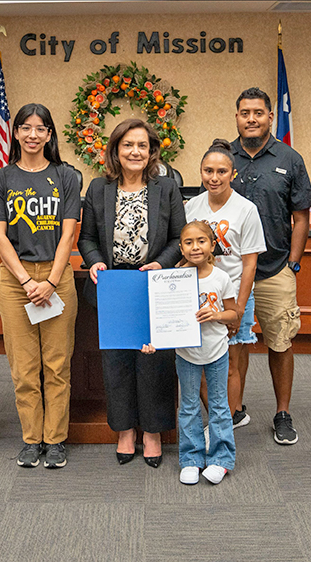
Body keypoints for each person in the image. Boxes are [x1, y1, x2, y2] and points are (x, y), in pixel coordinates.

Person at [79, 119, 186, 469]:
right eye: (127, 145)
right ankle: (124, 430)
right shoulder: (98, 189)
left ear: (152, 151)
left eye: (142, 145)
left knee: (154, 361)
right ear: (115, 150)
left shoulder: (167, 188)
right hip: (113, 285)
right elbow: (88, 239)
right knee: (117, 362)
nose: (135, 151)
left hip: (152, 284)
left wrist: (161, 263)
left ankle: (153, 433)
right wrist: (94, 262)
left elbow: (177, 238)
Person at [0, 103, 80, 469]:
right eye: (25, 127)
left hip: (58, 275)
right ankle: (32, 439)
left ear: (49, 135)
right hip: (15, 280)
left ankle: (55, 439)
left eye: (41, 128)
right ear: (15, 133)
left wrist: (52, 280)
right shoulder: (2, 178)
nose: (32, 135)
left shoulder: (66, 176)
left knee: (57, 364)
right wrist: (27, 280)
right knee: (24, 367)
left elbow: (69, 230)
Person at [230, 87, 311, 445]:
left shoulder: (290, 158)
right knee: (235, 344)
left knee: (280, 343)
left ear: (269, 117)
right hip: (231, 272)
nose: (251, 118)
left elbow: (301, 216)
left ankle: (282, 413)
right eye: (245, 112)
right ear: (237, 117)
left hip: (274, 268)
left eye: (258, 112)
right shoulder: (223, 156)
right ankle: (234, 410)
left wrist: (293, 262)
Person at [142, 221, 238, 485]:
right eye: (188, 242)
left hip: (217, 352)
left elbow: (234, 313)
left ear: (212, 246)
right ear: (181, 248)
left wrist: (217, 315)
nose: (195, 247)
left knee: (219, 406)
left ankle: (221, 459)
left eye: (201, 241)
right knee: (188, 407)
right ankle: (191, 458)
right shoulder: (172, 277)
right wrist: (154, 341)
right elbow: (160, 316)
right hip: (186, 354)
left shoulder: (221, 277)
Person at [184, 139, 266, 436]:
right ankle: (218, 419)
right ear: (201, 172)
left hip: (232, 296)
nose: (214, 177)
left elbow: (250, 264)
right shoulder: (191, 206)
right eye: (208, 171)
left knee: (230, 364)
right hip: (198, 297)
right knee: (199, 362)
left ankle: (225, 425)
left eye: (221, 171)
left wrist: (238, 308)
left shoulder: (246, 209)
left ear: (233, 173)